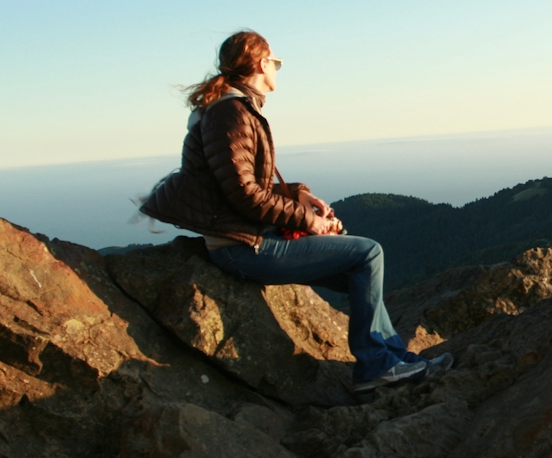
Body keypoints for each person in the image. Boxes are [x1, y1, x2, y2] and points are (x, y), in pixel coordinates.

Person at [141, 30, 451, 393]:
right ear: (260, 63)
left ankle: (393, 360)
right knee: (368, 253)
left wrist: (298, 195)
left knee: (361, 272)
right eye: (276, 62)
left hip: (244, 239)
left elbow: (233, 185)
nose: (277, 69)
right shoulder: (230, 113)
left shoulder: (234, 108)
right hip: (241, 249)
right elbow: (242, 194)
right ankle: (377, 367)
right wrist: (311, 222)